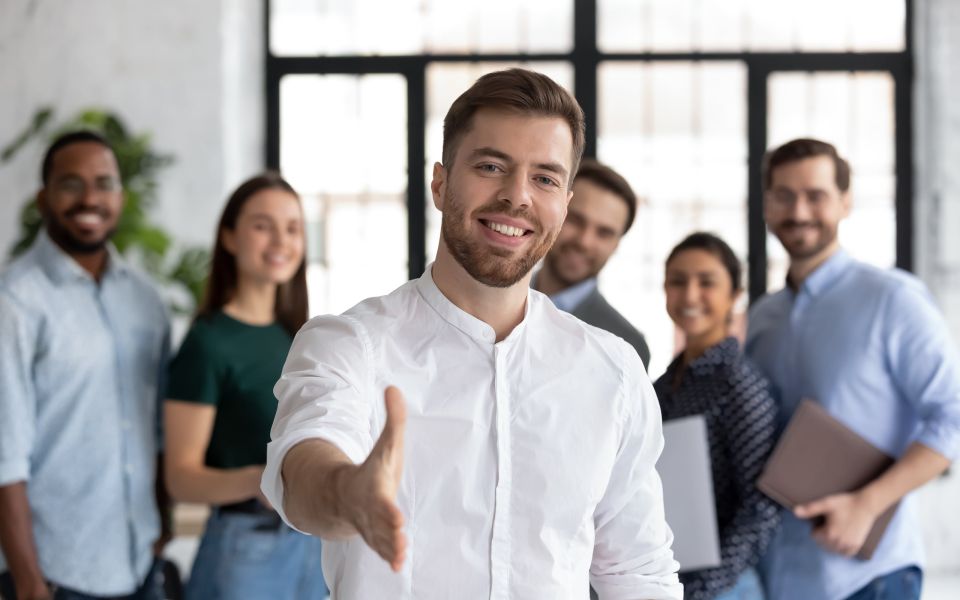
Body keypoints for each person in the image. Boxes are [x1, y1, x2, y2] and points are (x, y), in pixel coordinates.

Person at [261, 68, 682, 599]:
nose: (517, 197)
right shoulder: (350, 345)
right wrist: (348, 494)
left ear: (565, 204)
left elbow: (638, 571)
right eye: (491, 166)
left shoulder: (613, 371)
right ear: (440, 183)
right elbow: (302, 470)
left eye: (545, 178)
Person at [746, 138, 960, 600]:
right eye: (784, 195)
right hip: (780, 579)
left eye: (815, 195)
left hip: (870, 577)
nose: (799, 210)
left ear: (846, 201)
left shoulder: (893, 299)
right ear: (766, 203)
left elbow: (952, 416)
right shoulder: (763, 318)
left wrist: (868, 504)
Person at [0, 131, 170, 599]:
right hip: (57, 574)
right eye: (71, 184)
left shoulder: (145, 299)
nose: (90, 198)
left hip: (141, 564)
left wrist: (163, 523)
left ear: (121, 196)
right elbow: (4, 458)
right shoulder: (14, 301)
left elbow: (155, 429)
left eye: (104, 183)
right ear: (44, 197)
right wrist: (28, 581)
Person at [163, 173, 328, 600]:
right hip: (247, 549)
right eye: (262, 225)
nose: (280, 240)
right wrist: (261, 480)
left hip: (312, 541)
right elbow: (180, 478)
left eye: (292, 228)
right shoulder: (208, 342)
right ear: (230, 238)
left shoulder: (301, 336)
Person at [653, 232, 779, 600]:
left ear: (734, 296)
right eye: (677, 281)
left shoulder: (739, 384)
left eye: (706, 282)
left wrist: (705, 588)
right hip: (669, 578)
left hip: (722, 589)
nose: (690, 295)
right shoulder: (663, 385)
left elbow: (762, 508)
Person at [533, 159, 651, 369]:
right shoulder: (495, 301)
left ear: (616, 245)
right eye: (575, 220)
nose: (584, 241)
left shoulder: (626, 347)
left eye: (604, 233)